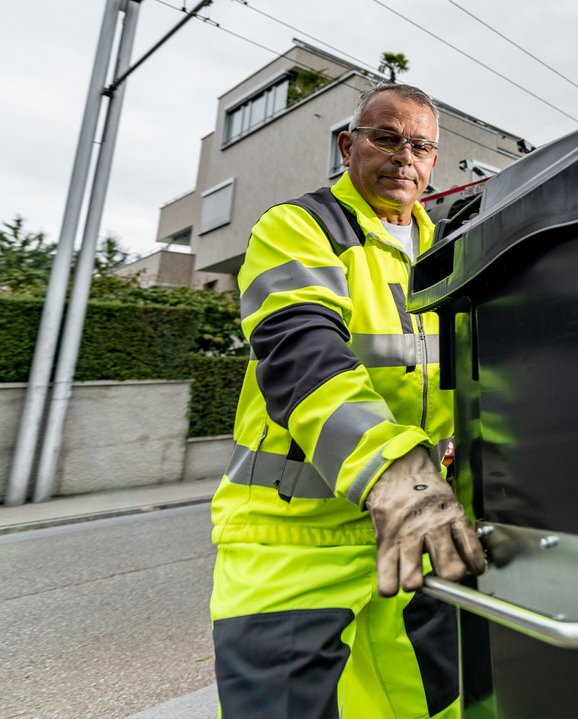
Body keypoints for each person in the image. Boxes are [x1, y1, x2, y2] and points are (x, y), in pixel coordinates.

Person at [209, 83, 487, 719]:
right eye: (385, 138)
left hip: (413, 537)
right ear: (348, 146)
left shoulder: (452, 257)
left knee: (441, 710)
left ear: (434, 162)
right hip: (291, 544)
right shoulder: (297, 229)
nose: (403, 157)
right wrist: (395, 473)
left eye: (420, 146)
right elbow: (302, 357)